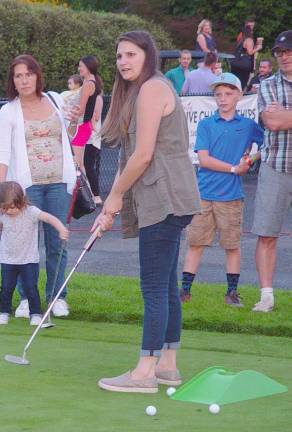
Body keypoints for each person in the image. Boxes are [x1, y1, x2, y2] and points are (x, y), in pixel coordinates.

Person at [93, 31, 201, 394]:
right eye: (119, 55)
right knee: (167, 284)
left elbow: (143, 155)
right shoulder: (142, 91)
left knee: (154, 287)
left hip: (164, 197)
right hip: (172, 195)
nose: (123, 61)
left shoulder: (153, 89)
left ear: (147, 55)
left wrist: (114, 197)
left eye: (131, 54)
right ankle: (168, 365)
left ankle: (144, 371)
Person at [0, 54, 77, 318]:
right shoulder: (8, 111)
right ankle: (25, 299)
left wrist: (76, 120)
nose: (24, 80)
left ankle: (56, 297)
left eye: (28, 74)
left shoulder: (55, 99)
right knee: (22, 245)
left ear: (37, 75)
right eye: (18, 76)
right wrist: (1, 192)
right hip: (26, 187)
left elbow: (74, 134)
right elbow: (3, 153)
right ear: (13, 81)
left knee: (57, 242)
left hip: (59, 182)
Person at [179, 73, 264, 307]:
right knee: (195, 243)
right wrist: (233, 168)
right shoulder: (206, 124)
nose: (223, 99)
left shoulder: (248, 126)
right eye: (218, 94)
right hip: (204, 195)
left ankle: (232, 293)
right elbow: (204, 160)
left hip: (231, 197)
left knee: (232, 246)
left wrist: (250, 159)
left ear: (238, 96)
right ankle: (184, 292)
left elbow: (267, 145)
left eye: (228, 94)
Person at [0, 181, 69, 326]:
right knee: (6, 287)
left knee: (31, 288)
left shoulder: (31, 212)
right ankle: (4, 313)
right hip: (7, 258)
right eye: (5, 208)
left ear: (22, 201)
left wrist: (61, 229)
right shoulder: (2, 214)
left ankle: (36, 314)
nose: (9, 211)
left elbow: (49, 218)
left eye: (12, 207)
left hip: (28, 259)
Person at [251, 30, 292, 313]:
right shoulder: (267, 85)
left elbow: (281, 118)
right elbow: (273, 122)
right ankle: (266, 296)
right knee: (266, 234)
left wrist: (285, 115)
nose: (284, 56)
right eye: (279, 52)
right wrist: (280, 117)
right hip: (275, 165)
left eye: (288, 50)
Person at [71, 55, 103, 172]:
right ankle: (87, 190)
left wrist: (64, 111)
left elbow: (81, 110)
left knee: (77, 165)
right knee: (80, 165)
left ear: (88, 67)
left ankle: (83, 190)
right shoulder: (93, 82)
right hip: (85, 127)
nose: (79, 69)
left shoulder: (88, 84)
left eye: (81, 66)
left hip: (81, 127)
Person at [84, 92, 104, 205]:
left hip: (91, 139)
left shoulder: (97, 98)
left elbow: (95, 117)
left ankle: (96, 195)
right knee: (83, 168)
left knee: (88, 167)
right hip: (83, 138)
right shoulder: (85, 98)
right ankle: (88, 194)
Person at [230, 22, 263, 89]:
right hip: (243, 65)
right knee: (242, 83)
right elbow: (250, 52)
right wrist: (258, 48)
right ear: (249, 32)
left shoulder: (242, 40)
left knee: (235, 82)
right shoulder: (249, 40)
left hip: (235, 63)